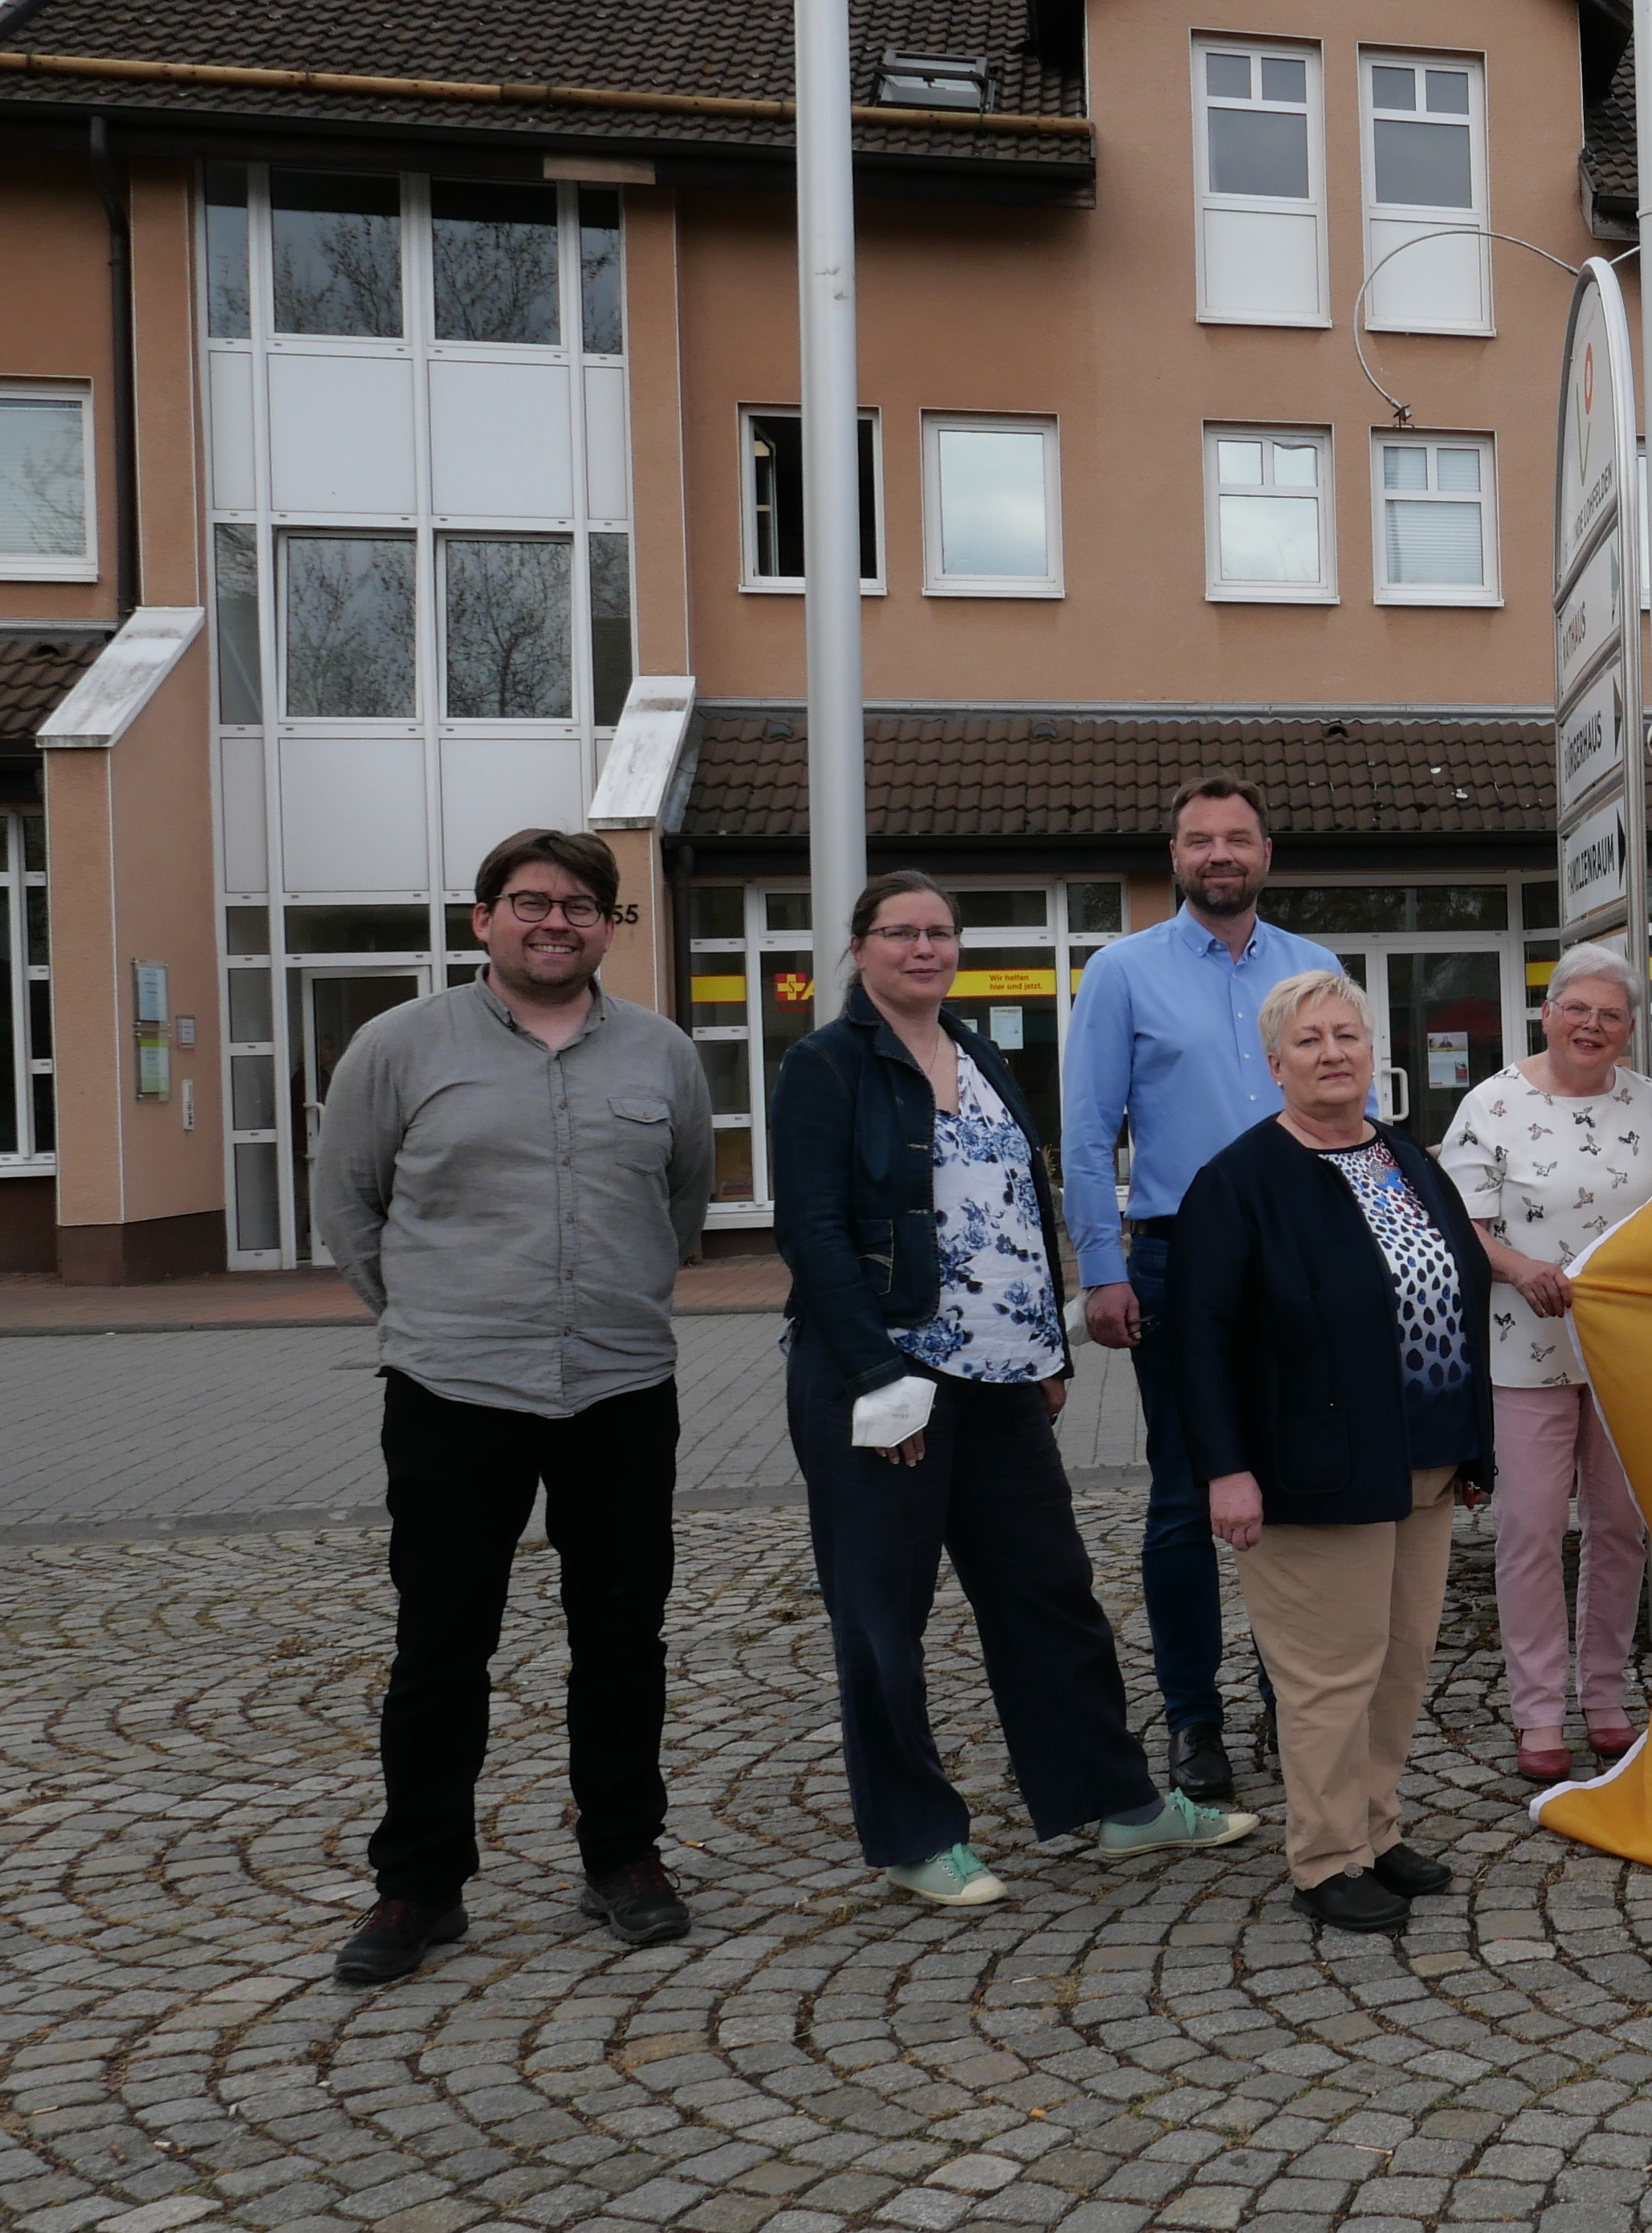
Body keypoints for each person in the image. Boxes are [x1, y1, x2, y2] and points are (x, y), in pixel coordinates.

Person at [771, 870, 1263, 1906]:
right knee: (883, 1619)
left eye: (939, 933)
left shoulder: (980, 1054)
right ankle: (916, 1836)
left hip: (1001, 1378)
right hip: (887, 1378)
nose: (923, 950)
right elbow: (811, 1232)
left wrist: (1046, 1352)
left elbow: (1016, 1209)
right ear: (859, 948)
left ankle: (1118, 1803)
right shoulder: (826, 1065)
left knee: (1050, 1597)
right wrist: (878, 1381)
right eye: (900, 933)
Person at [313, 829, 714, 1987]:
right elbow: (349, 1204)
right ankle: (420, 1883)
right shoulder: (400, 1046)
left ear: (607, 927)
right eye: (532, 902)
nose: (556, 923)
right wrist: (431, 1317)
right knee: (441, 1644)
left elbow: (682, 1204)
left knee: (622, 1637)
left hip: (621, 1386)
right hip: (455, 1390)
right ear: (484, 919)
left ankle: (623, 1855)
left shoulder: (662, 1055)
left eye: (582, 906)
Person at [1173, 969, 1496, 1934]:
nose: (1331, 1054)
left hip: (1423, 1456)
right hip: (1310, 1469)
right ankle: (1325, 1857)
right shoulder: (1239, 1181)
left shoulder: (1405, 1158)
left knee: (1400, 1663)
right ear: (1275, 1065)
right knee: (1329, 1674)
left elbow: (1458, 1293)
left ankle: (1375, 1829)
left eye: (1346, 1035)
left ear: (1372, 1051)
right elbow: (1199, 1338)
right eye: (1308, 1040)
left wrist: (1471, 1447)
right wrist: (1224, 1469)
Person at [1062, 775, 1338, 1801]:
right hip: (1177, 1257)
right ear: (1174, 856)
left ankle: (1291, 1701)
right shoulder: (1122, 971)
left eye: (1237, 838)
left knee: (1299, 1487)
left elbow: (1344, 1111)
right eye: (1199, 840)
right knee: (1186, 1492)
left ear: (1267, 853)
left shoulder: (1316, 969)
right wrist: (1101, 1267)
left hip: (1303, 1253)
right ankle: (1193, 1718)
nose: (1220, 853)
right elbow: (1088, 1130)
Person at [1439, 942, 1652, 1783]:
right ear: (1548, 1012)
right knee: (1531, 1531)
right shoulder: (1493, 1104)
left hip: (1625, 1355)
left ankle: (1604, 1697)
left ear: (1630, 1030)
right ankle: (1538, 1711)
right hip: (1524, 1352)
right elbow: (1461, 1226)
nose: (1592, 1026)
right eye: (1577, 1008)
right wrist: (1520, 1267)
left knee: (1620, 1529)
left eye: (1611, 1015)